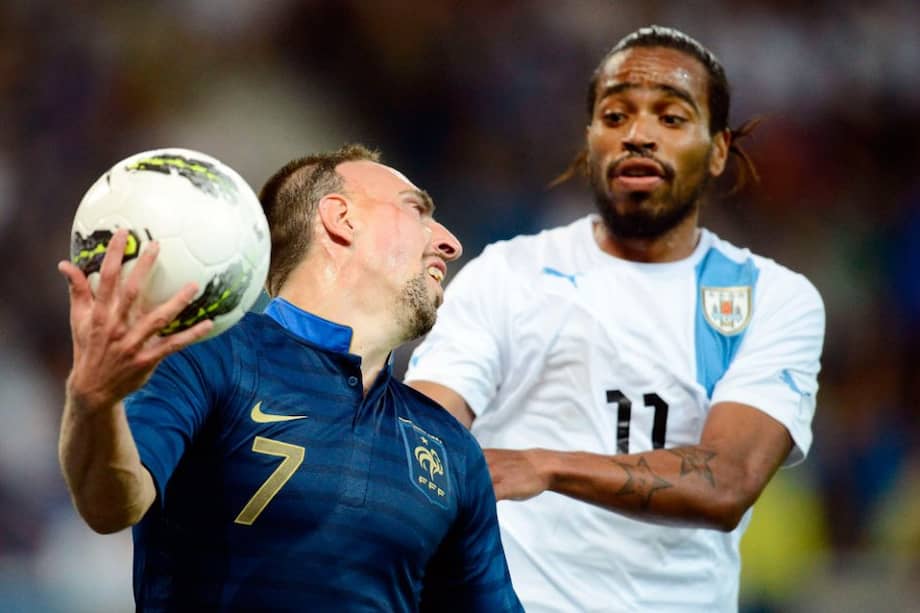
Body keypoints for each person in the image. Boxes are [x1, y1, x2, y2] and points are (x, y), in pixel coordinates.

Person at [405, 25, 826, 612]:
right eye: (615, 115)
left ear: (719, 150)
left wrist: (545, 464)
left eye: (672, 118)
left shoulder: (771, 297)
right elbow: (424, 430)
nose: (639, 135)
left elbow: (729, 480)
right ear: (590, 141)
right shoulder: (507, 274)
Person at [57, 144, 524, 612]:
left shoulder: (450, 449)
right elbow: (111, 504)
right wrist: (92, 400)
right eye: (417, 211)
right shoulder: (214, 354)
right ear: (341, 219)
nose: (450, 242)